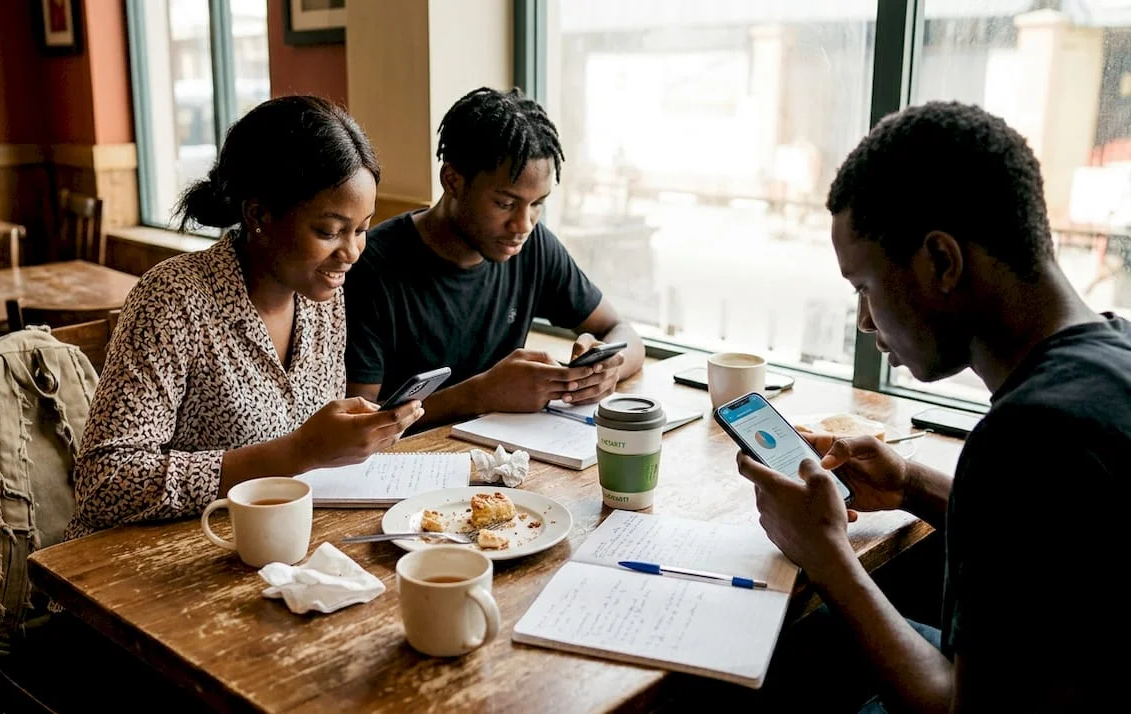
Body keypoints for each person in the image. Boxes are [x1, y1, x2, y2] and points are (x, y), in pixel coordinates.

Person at [737, 101, 1130, 711]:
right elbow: (1045, 547)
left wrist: (827, 556)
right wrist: (910, 485)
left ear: (942, 261)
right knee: (809, 646)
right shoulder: (1112, 352)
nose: (865, 320)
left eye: (864, 288)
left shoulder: (1030, 436)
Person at [65, 96, 423, 539]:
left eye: (362, 229)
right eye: (329, 231)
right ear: (259, 215)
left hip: (267, 549)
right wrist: (300, 450)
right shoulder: (174, 299)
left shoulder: (323, 296)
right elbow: (104, 483)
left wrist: (348, 440)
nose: (350, 252)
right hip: (148, 564)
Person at [344, 87, 645, 428]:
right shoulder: (370, 267)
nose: (523, 224)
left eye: (537, 204)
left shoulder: (533, 246)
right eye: (505, 203)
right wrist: (478, 394)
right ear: (453, 181)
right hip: (407, 469)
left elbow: (620, 330)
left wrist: (610, 367)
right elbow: (360, 424)